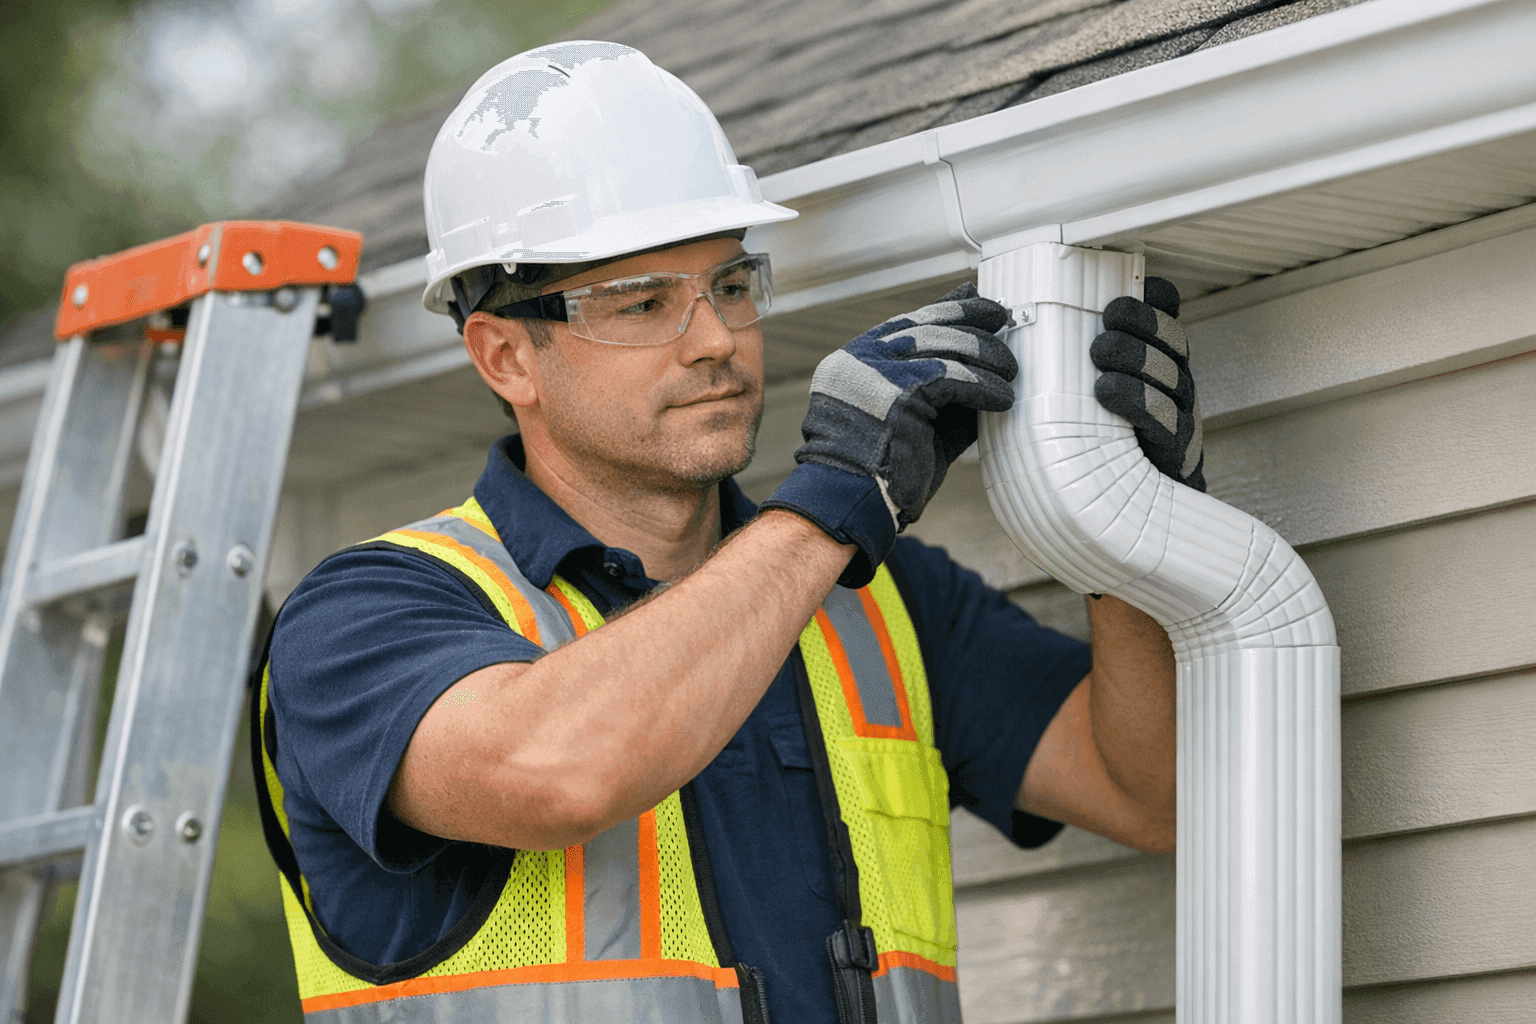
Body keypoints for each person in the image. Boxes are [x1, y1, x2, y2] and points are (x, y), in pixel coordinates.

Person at [254, 41, 1196, 1024]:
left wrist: (1121, 520)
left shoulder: (884, 604)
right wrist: (833, 501)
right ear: (506, 357)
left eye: (732, 285)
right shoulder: (367, 612)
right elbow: (559, 771)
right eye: (645, 303)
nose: (715, 340)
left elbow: (1155, 795)